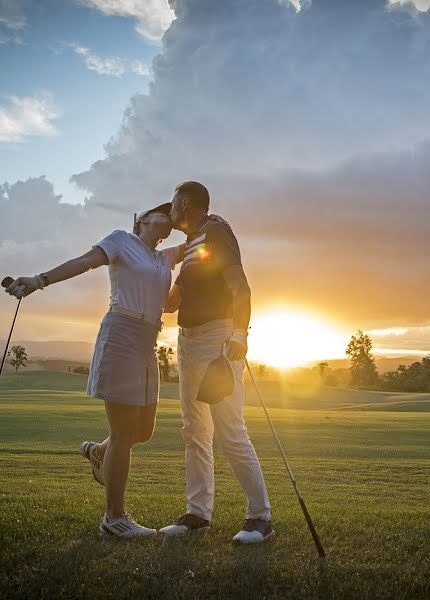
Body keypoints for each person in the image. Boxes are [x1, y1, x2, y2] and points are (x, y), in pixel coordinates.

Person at [5, 204, 183, 539]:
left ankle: (98, 452)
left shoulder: (166, 257)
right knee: (123, 434)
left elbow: (201, 243)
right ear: (143, 220)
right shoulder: (121, 241)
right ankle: (114, 518)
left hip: (148, 343)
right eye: (163, 214)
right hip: (120, 335)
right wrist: (39, 280)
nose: (170, 220)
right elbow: (84, 262)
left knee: (142, 432)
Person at [158, 181, 274, 544]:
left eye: (173, 203)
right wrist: (147, 265)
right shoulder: (193, 244)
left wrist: (240, 334)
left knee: (230, 430)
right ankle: (197, 514)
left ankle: (260, 518)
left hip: (216, 340)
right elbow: (172, 303)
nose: (169, 210)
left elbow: (240, 287)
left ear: (187, 203)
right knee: (194, 430)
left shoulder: (216, 231)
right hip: (188, 341)